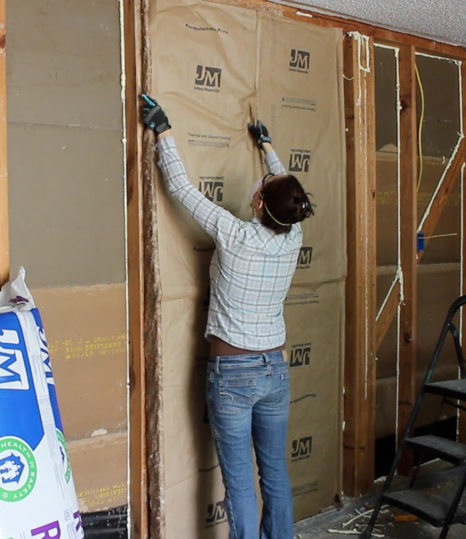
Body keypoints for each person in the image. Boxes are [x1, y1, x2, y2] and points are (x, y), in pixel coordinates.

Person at [140, 94, 314, 539]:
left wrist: (163, 129)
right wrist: (268, 147)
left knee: (238, 482)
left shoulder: (233, 233)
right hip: (274, 369)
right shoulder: (293, 237)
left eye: (261, 189)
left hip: (234, 373)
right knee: (274, 474)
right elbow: (284, 191)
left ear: (258, 203)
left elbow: (180, 189)